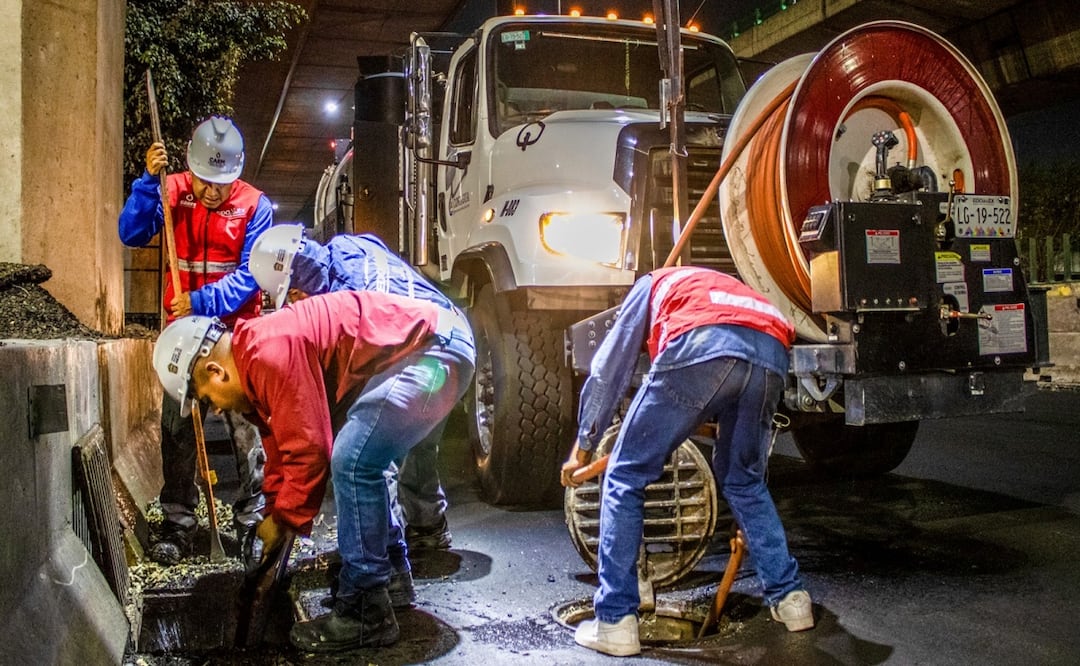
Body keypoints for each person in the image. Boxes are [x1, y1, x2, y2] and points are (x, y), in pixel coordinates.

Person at [151, 289, 474, 652]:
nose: (215, 410)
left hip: (434, 352)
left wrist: (284, 518)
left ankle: (366, 610)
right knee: (362, 451)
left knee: (353, 458)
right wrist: (275, 507)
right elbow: (282, 445)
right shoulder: (256, 356)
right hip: (429, 345)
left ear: (215, 371)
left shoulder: (271, 352)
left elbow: (310, 450)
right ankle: (391, 574)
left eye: (207, 398)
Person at [560, 266, 813, 657]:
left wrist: (584, 444)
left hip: (702, 344)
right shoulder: (712, 284)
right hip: (771, 352)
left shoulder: (649, 284)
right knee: (744, 480)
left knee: (625, 475)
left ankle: (615, 621)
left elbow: (611, 367)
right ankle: (791, 598)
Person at [248, 224, 464, 551]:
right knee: (419, 438)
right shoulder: (352, 245)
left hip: (423, 351)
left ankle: (384, 556)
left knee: (370, 450)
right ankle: (428, 526)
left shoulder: (343, 298)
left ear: (296, 287)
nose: (296, 303)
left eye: (292, 296)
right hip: (455, 342)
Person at [119, 115, 272, 565]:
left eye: (221, 183)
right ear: (192, 168)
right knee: (177, 427)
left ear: (237, 173)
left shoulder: (254, 206)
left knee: (245, 429)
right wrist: (148, 183)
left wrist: (203, 300)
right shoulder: (171, 188)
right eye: (204, 180)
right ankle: (179, 522)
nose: (211, 192)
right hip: (183, 339)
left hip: (235, 335)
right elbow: (131, 232)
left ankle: (253, 523)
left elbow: (252, 275)